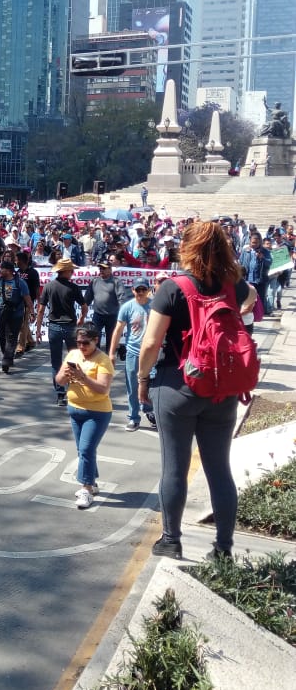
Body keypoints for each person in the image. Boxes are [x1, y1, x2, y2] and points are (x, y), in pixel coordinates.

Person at [137, 221, 257, 560]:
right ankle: (223, 548)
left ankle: (171, 540)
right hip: (222, 388)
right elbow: (252, 296)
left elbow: (151, 343)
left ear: (187, 248)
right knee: (219, 469)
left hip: (177, 386)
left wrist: (142, 379)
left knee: (174, 467)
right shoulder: (232, 285)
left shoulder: (172, 288)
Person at [55, 322, 114, 510]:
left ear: (96, 340)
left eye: (86, 343)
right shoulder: (73, 355)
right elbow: (59, 380)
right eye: (79, 342)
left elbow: (103, 389)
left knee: (86, 449)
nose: (81, 346)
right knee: (83, 450)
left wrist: (83, 377)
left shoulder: (103, 360)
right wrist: (65, 375)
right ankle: (92, 482)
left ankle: (86, 489)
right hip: (75, 410)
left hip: (97, 413)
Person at [35, 259, 87, 405]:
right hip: (70, 327)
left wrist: (38, 330)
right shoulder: (73, 287)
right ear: (65, 271)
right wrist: (81, 319)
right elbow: (84, 307)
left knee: (56, 362)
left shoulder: (49, 286)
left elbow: (41, 310)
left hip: (54, 327)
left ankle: (60, 394)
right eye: (71, 270)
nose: (73, 272)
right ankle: (73, 391)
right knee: (74, 360)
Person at [108, 277, 156, 432]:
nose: (140, 293)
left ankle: (149, 410)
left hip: (151, 354)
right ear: (133, 290)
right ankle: (134, 417)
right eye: (138, 290)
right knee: (132, 387)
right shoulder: (127, 307)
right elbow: (118, 330)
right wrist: (112, 353)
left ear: (148, 290)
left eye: (143, 289)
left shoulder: (154, 306)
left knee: (151, 385)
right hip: (133, 353)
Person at [0, 260, 33, 374]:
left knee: (11, 338)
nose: (0, 271)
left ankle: (6, 360)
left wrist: (32, 313)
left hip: (15, 315)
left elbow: (28, 299)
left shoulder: (20, 283)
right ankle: (8, 356)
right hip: (0, 314)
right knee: (2, 338)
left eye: (2, 269)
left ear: (9, 271)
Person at [83, 260, 129, 352]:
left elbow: (122, 298)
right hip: (98, 315)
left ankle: (108, 358)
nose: (101, 270)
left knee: (111, 340)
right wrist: (83, 309)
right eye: (100, 268)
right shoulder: (95, 281)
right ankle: (95, 357)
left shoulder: (116, 282)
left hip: (112, 316)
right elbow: (87, 298)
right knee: (94, 337)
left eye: (104, 268)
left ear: (110, 269)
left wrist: (122, 314)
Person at [15, 250, 40, 357]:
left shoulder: (33, 272)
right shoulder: (17, 272)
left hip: (28, 301)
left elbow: (37, 288)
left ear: (21, 260)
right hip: (18, 301)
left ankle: (20, 347)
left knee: (23, 324)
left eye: (16, 260)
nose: (15, 262)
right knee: (22, 324)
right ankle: (31, 341)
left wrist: (38, 301)